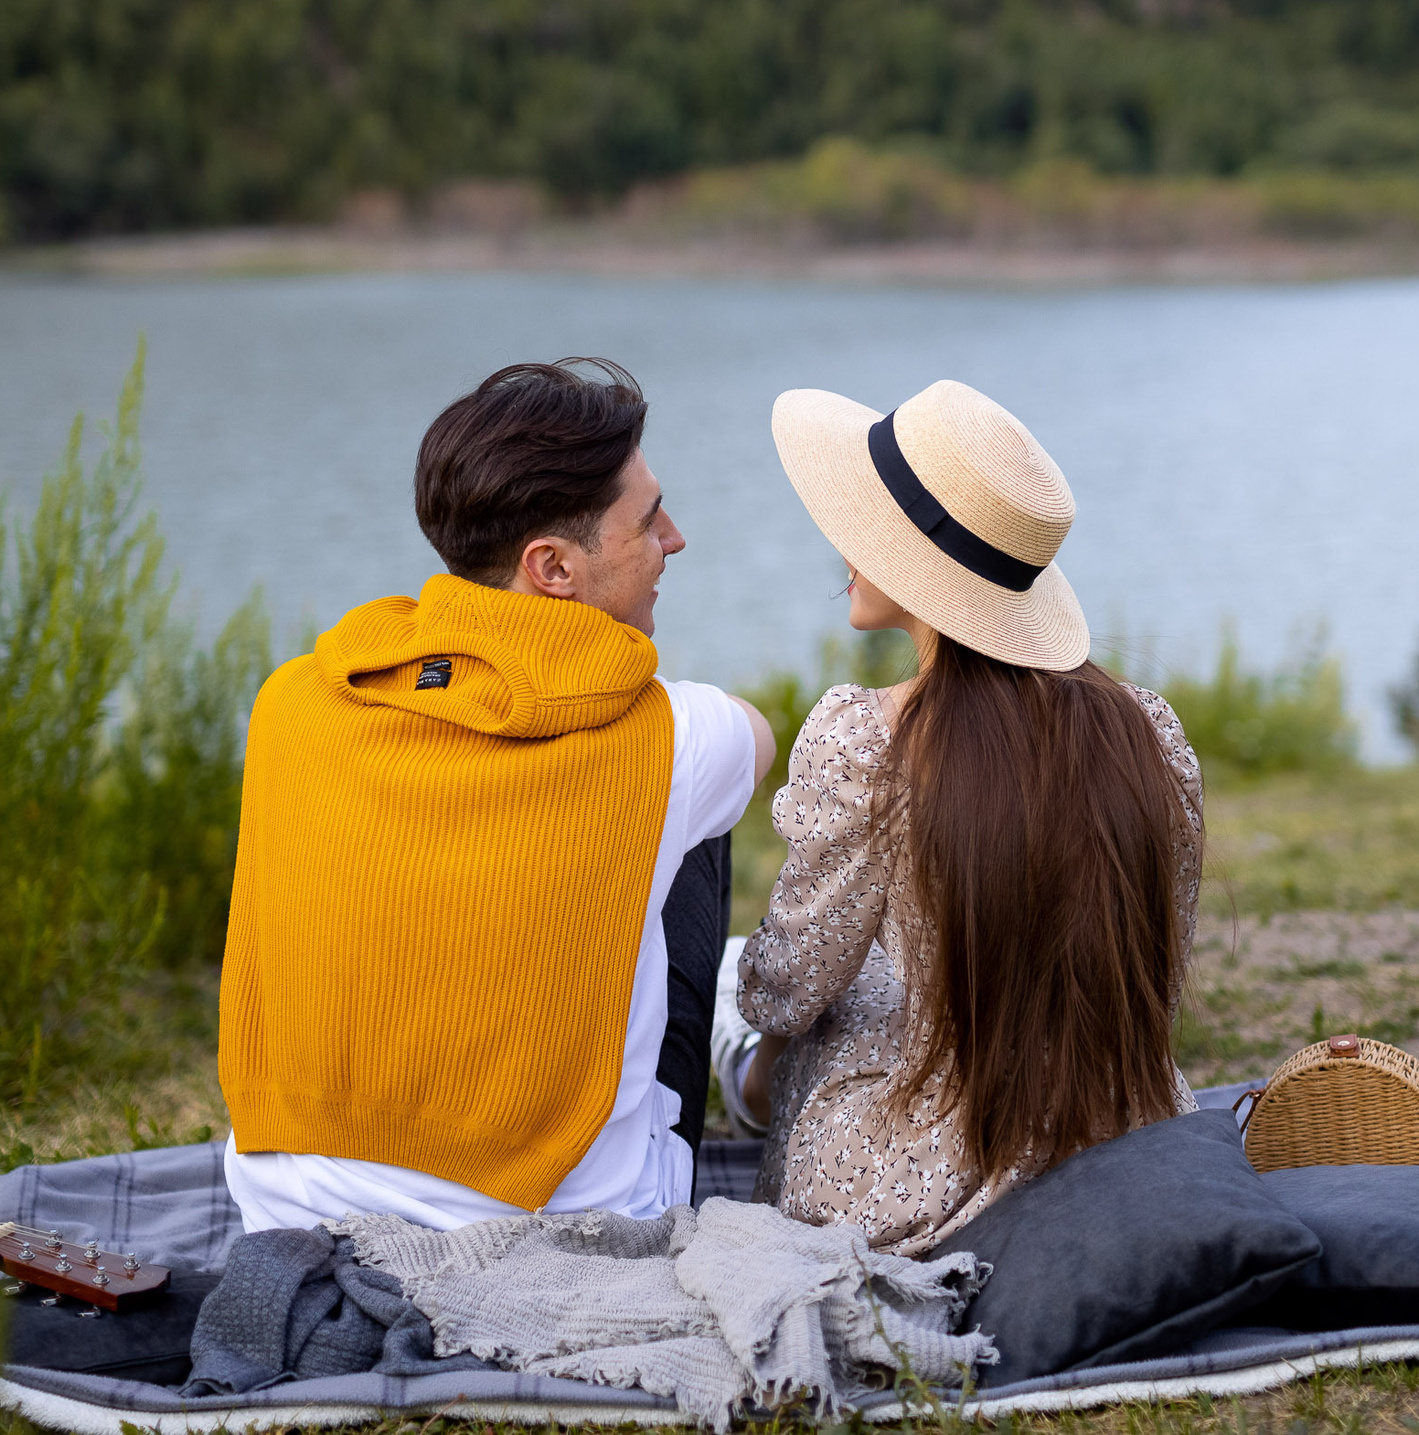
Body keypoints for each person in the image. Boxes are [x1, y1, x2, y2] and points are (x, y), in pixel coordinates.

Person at [218, 358, 775, 1232]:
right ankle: (735, 1069)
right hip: (568, 1219)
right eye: (646, 517)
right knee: (694, 818)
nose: (674, 536)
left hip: (285, 1206)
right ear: (551, 566)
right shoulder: (669, 736)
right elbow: (760, 735)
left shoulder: (290, 700)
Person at [727, 378, 1204, 1256]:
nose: (844, 544)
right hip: (1124, 1131)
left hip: (919, 1164)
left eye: (866, 524)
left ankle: (739, 1084)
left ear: (916, 563)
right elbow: (1155, 977)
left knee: (825, 1001)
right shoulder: (1151, 730)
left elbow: (785, 988)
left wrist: (757, 988)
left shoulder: (867, 738)